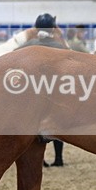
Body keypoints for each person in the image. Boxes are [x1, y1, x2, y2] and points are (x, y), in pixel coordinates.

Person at [27, 13, 66, 166]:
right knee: (58, 127)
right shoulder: (59, 46)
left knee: (33, 128)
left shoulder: (29, 46)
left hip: (32, 92)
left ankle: (40, 159)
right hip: (54, 93)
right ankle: (58, 159)